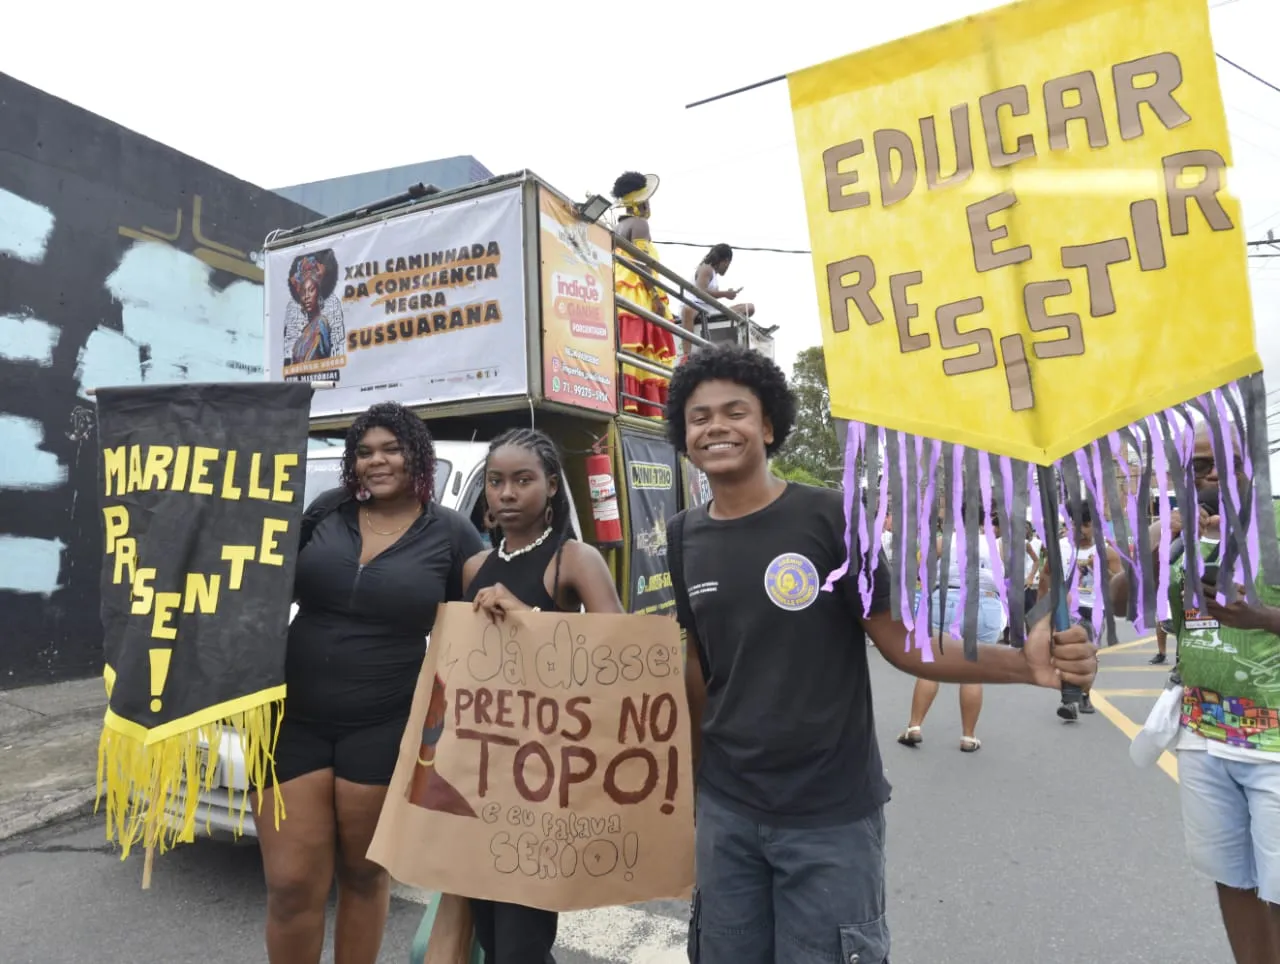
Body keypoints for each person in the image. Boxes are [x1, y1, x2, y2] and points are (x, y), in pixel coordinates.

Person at [665, 344, 1097, 964]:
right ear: (684, 435)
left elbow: (899, 640)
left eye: (735, 411)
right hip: (728, 813)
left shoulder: (832, 517)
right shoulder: (683, 537)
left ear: (767, 425)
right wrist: (693, 785)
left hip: (829, 817)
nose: (716, 427)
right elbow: (699, 666)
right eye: (699, 416)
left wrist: (1022, 665)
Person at [255, 402, 483, 964]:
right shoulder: (323, 513)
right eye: (364, 451)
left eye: (390, 448)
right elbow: (256, 585)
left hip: (384, 729)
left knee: (361, 876)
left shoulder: (450, 532)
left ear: (416, 455)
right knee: (289, 885)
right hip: (292, 721)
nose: (376, 461)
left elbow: (488, 621)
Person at [1114, 423, 1280, 963]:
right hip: (1204, 742)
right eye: (1197, 467)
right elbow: (1122, 605)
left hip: (1275, 748)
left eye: (1222, 464)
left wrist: (1260, 616)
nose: (1209, 476)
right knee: (1231, 880)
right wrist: (1152, 545)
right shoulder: (1179, 540)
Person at [461, 428, 624, 964]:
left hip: (546, 778)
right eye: (496, 481)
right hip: (484, 777)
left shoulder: (574, 560)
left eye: (523, 480)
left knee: (522, 943)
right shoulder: (473, 569)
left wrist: (527, 617)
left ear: (552, 486)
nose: (506, 493)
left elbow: (619, 656)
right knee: (489, 930)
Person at [898, 502, 1005, 753]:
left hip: (946, 600)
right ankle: (968, 737)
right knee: (972, 671)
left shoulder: (940, 542)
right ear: (983, 521)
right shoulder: (997, 545)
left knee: (931, 668)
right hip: (984, 602)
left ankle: (914, 726)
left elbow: (922, 574)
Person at [612, 171, 675, 418]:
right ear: (639, 202)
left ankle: (630, 402)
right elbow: (643, 262)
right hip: (638, 291)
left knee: (629, 350)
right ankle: (646, 408)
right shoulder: (639, 224)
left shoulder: (618, 226)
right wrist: (657, 297)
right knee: (645, 350)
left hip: (621, 290)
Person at [1053, 502, 1121, 720]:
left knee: (1088, 655)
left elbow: (1119, 587)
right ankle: (1070, 701)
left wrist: (1099, 569)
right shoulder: (1060, 547)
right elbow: (1047, 576)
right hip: (1067, 609)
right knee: (1068, 656)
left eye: (1088, 525)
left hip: (1095, 609)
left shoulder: (1107, 551)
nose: (1082, 530)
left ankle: (1084, 694)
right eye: (1078, 524)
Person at [681, 243, 755, 336]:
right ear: (726, 261)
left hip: (711, 311)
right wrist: (725, 294)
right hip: (696, 309)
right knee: (748, 309)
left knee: (749, 308)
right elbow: (700, 292)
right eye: (728, 264)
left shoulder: (714, 274)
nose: (727, 268)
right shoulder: (706, 269)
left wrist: (726, 293)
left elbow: (711, 295)